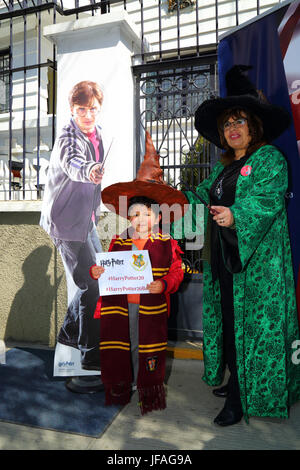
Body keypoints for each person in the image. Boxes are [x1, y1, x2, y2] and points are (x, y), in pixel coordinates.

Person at [186, 65, 300, 426]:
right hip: (226, 263)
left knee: (249, 328)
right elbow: (199, 199)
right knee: (229, 323)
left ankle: (239, 398)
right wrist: (165, 201)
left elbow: (267, 200)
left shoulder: (269, 160)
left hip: (257, 269)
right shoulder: (223, 170)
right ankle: (238, 378)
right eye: (227, 125)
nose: (233, 129)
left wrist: (236, 216)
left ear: (253, 126)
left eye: (239, 122)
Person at [90, 132, 187, 414]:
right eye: (134, 215)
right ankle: (126, 383)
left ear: (157, 217)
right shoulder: (119, 241)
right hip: (122, 307)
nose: (140, 220)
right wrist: (96, 271)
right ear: (128, 218)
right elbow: (106, 268)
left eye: (146, 214)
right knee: (125, 345)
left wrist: (165, 284)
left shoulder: (167, 243)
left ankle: (146, 385)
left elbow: (177, 272)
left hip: (151, 308)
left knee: (147, 348)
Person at [40, 80, 113, 374]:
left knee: (100, 277)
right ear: (72, 109)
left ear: (99, 109)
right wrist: (91, 170)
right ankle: (89, 354)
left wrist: (96, 211)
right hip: (66, 222)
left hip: (86, 218)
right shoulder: (67, 138)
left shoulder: (98, 134)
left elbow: (95, 179)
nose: (87, 115)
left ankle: (70, 332)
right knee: (91, 283)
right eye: (81, 109)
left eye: (92, 109)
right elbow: (74, 164)